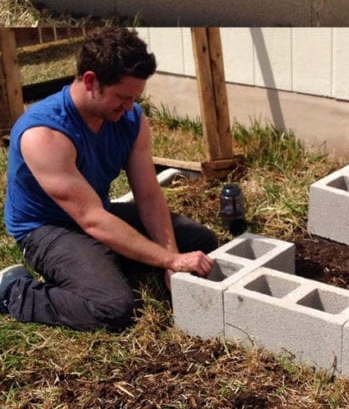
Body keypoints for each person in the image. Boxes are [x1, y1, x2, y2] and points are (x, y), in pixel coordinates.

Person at [0, 28, 218, 331]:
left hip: (98, 213)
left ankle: (105, 264)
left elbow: (149, 195)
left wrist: (171, 255)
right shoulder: (44, 134)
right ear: (91, 81)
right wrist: (169, 261)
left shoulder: (130, 119)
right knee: (113, 309)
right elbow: (91, 219)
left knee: (202, 242)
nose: (129, 107)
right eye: (122, 97)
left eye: (135, 98)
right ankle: (13, 292)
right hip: (47, 228)